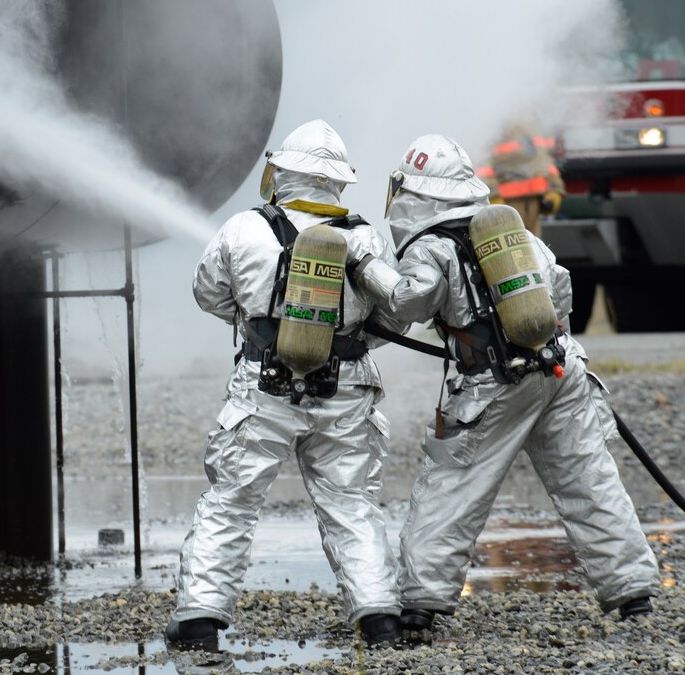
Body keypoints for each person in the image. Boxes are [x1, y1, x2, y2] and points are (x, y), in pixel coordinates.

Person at [348, 134, 660, 641]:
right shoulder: (514, 235)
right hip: (562, 371)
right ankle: (634, 595)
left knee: (450, 489)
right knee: (589, 480)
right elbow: (560, 288)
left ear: (415, 193)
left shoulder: (432, 246)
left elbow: (410, 302)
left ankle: (420, 607)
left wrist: (365, 267)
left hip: (491, 385)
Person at [165, 119, 404, 651]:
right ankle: (379, 617)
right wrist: (342, 345)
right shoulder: (363, 236)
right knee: (351, 503)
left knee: (232, 500)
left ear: (281, 172)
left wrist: (262, 328)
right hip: (347, 389)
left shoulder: (243, 228)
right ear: (336, 181)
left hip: (263, 385)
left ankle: (201, 618)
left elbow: (209, 295)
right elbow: (397, 317)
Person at [475, 121, 565, 237]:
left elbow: (547, 163)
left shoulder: (534, 127)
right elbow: (483, 167)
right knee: (512, 248)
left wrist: (555, 192)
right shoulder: (495, 129)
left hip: (534, 205)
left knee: (534, 249)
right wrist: (493, 197)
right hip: (508, 205)